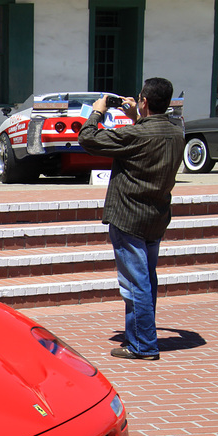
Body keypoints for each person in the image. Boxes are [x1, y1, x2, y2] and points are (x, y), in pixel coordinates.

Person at [78, 78, 184, 361]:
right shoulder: (176, 133)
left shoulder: (135, 135)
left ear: (145, 101)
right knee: (146, 280)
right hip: (156, 216)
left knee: (135, 284)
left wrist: (98, 111)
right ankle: (138, 335)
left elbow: (88, 139)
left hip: (129, 216)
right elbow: (150, 136)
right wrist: (137, 117)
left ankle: (143, 345)